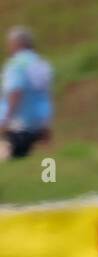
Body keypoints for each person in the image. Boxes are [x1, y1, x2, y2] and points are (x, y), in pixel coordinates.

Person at [0, 26, 53, 160]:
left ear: (16, 44)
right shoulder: (42, 64)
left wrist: (5, 120)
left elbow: (15, 93)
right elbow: (45, 96)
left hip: (17, 126)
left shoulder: (16, 65)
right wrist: (46, 126)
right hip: (38, 126)